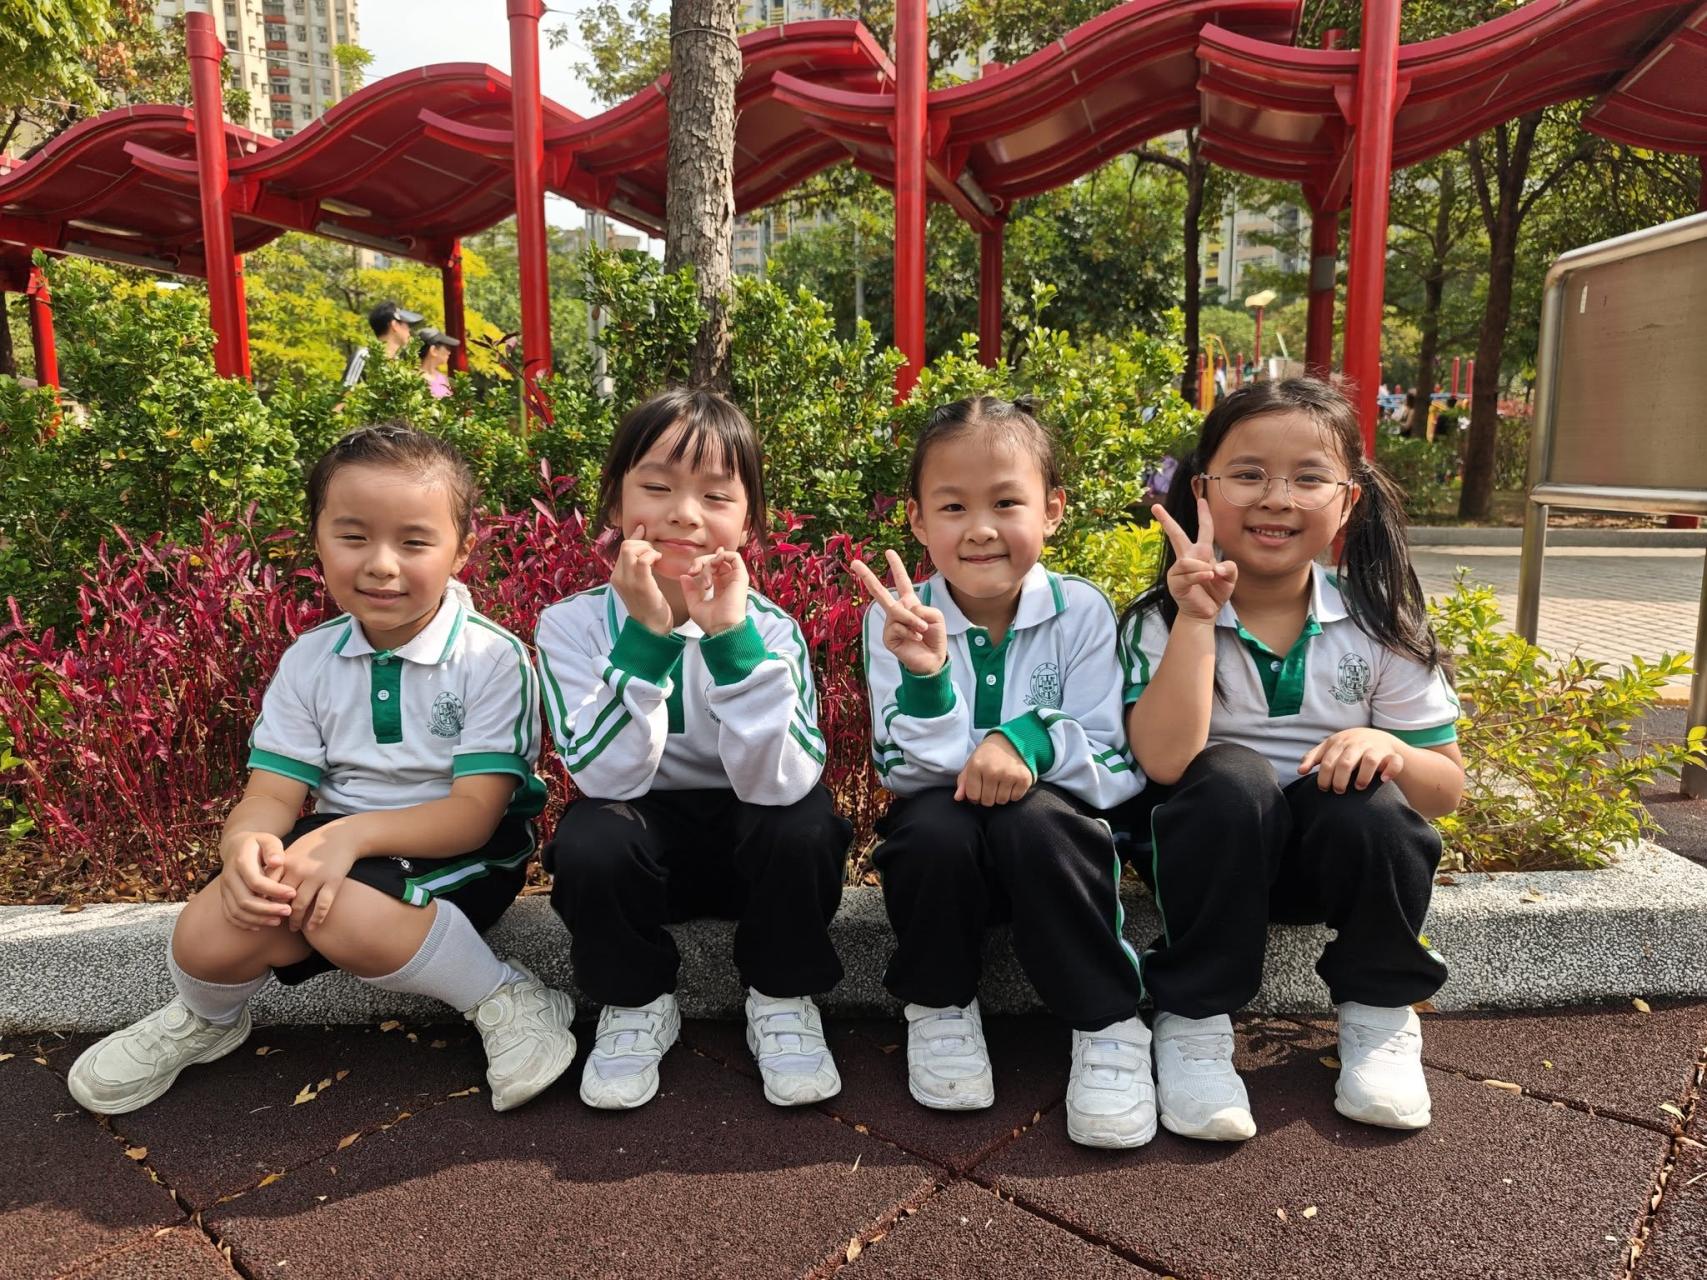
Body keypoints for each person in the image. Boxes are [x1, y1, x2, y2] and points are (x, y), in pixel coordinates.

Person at [66, 424, 576, 1116]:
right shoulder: (311, 659)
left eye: (414, 542)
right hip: (340, 844)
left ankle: (504, 995)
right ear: (317, 541)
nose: (381, 565)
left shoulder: (490, 659)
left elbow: (473, 816)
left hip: (466, 853)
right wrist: (245, 847)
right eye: (354, 536)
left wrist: (347, 838)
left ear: (462, 549)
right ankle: (208, 1019)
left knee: (340, 912)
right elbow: (272, 794)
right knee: (209, 929)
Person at [1120, 377, 1463, 1143]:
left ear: (1348, 502)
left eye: (1308, 478)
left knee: (1372, 800)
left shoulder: (1382, 622)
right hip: (1206, 862)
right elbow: (1165, 764)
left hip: (1322, 869)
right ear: (1200, 491)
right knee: (1228, 775)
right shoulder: (1158, 621)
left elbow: (1443, 791)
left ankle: (1379, 1012)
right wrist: (1197, 620)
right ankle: (1193, 1017)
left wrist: (1390, 748)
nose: (1276, 498)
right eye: (1247, 474)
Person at [536, 388, 850, 1111]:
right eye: (657, 487)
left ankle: (780, 995)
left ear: (749, 521)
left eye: (715, 495)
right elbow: (604, 778)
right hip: (645, 853)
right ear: (615, 502)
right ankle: (636, 1002)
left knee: (806, 823)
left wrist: (731, 641)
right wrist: (645, 641)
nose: (684, 513)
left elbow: (783, 783)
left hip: (751, 851)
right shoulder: (572, 626)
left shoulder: (770, 629)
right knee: (590, 840)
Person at [851, 395, 1150, 1150]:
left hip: (1048, 846)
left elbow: (1114, 762)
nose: (980, 528)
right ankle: (940, 1005)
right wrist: (926, 679)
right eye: (953, 506)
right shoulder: (897, 616)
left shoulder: (1080, 611)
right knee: (930, 829)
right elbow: (899, 765)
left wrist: (1024, 742)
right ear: (918, 521)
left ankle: (1106, 1021)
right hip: (944, 834)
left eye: (1006, 503)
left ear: (1052, 511)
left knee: (1039, 819)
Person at [342, 301, 425, 388]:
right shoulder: (364, 356)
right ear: (394, 325)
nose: (409, 330)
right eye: (407, 325)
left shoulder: (399, 364)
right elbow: (345, 393)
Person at [417, 327, 460, 399]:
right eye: (447, 348)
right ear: (433, 350)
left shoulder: (443, 378)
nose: (449, 352)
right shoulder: (415, 379)